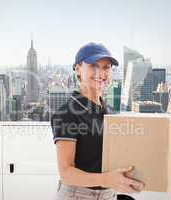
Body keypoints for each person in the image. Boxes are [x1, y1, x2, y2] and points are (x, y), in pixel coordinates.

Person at [50, 42, 145, 200]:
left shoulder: (108, 111)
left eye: (106, 67)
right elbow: (66, 173)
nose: (100, 73)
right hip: (78, 195)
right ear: (78, 69)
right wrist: (107, 179)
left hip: (109, 194)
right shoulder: (68, 113)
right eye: (94, 65)